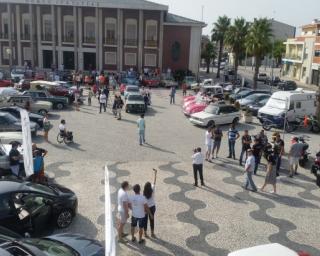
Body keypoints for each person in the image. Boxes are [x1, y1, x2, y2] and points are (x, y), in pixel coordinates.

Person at [143, 169, 157, 238]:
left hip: (145, 208)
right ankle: (152, 233)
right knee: (152, 220)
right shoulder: (152, 189)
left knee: (145, 220)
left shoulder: (143, 194)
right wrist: (155, 173)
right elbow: (154, 182)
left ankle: (145, 233)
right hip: (152, 207)